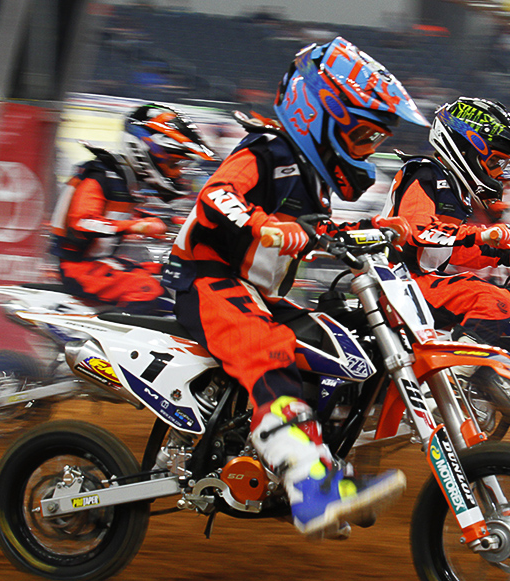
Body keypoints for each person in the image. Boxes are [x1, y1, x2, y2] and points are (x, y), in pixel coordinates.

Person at [163, 37, 426, 536]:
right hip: (206, 279)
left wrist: (376, 232)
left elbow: (318, 231)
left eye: (377, 141)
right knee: (268, 351)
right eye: (364, 136)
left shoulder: (312, 178)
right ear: (320, 114)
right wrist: (261, 223)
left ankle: (303, 465)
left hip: (256, 293)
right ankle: (310, 486)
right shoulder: (267, 151)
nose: (370, 151)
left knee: (334, 346)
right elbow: (216, 195)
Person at [381, 97, 510, 347]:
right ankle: (460, 376)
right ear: (467, 146)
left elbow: (449, 250)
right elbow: (418, 231)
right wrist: (483, 234)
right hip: (400, 281)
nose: (499, 172)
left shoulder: (453, 186)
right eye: (495, 162)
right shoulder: (424, 173)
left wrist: (504, 256)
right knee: (492, 299)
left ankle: (479, 380)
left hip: (419, 280)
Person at [49, 102, 216, 313]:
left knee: (174, 274)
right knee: (149, 291)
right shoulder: (100, 176)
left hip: (103, 263)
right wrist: (138, 227)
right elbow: (81, 223)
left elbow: (120, 215)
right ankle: (119, 342)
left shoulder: (123, 180)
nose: (177, 174)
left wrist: (173, 223)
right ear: (146, 150)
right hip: (79, 268)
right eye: (173, 165)